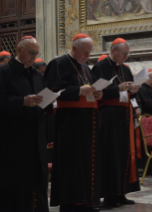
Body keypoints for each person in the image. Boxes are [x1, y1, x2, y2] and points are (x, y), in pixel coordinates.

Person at [44, 33, 103, 212]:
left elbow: (90, 88)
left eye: (90, 53)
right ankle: (71, 204)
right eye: (85, 52)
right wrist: (79, 91)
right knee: (72, 163)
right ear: (75, 47)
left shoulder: (85, 66)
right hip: (69, 123)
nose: (87, 56)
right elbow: (49, 93)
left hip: (87, 122)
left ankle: (86, 201)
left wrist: (97, 93)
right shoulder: (58, 63)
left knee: (87, 162)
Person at [0, 36, 49, 212]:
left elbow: (42, 99)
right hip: (14, 140)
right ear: (19, 50)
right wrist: (21, 101)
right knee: (18, 185)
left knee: (38, 181)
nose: (34, 57)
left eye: (37, 53)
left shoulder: (36, 74)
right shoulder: (3, 73)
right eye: (31, 53)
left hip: (36, 137)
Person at [92, 38, 140, 208]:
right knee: (110, 155)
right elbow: (95, 92)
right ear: (113, 51)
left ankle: (121, 193)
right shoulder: (100, 67)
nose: (126, 57)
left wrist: (133, 91)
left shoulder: (126, 69)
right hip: (108, 116)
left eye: (128, 54)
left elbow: (130, 93)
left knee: (123, 154)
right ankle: (109, 196)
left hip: (124, 115)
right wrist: (117, 89)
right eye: (123, 53)